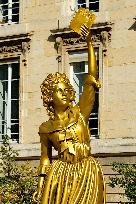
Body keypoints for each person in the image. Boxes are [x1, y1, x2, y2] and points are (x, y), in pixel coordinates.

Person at [33, 26, 106, 204]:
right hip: (60, 175)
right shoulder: (46, 128)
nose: (65, 93)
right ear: (50, 97)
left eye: (67, 89)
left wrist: (89, 42)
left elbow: (91, 78)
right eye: (59, 91)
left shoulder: (80, 112)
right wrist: (40, 186)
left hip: (87, 172)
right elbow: (45, 159)